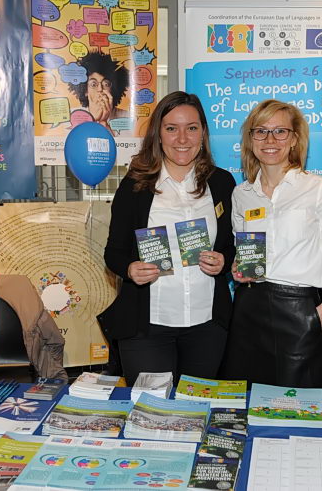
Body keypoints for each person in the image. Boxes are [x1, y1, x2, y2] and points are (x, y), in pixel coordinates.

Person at [100, 91, 236, 385]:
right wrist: (130, 269)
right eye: (172, 128)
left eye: (192, 128)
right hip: (147, 327)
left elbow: (230, 246)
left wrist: (223, 261)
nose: (182, 138)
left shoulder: (222, 183)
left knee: (197, 406)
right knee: (150, 406)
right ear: (158, 134)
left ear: (203, 133)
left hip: (207, 325)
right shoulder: (135, 185)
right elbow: (114, 252)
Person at [220, 99, 322, 388]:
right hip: (248, 308)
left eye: (280, 131)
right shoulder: (242, 194)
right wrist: (238, 268)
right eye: (261, 131)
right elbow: (243, 252)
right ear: (250, 140)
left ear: (294, 139)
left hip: (299, 311)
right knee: (244, 399)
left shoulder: (319, 188)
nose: (270, 140)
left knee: (296, 402)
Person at [69, 51, 130, 125]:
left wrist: (104, 122)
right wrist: (93, 120)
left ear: (113, 90)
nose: (100, 89)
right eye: (93, 84)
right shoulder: (72, 117)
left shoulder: (127, 117)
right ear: (85, 91)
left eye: (106, 84)